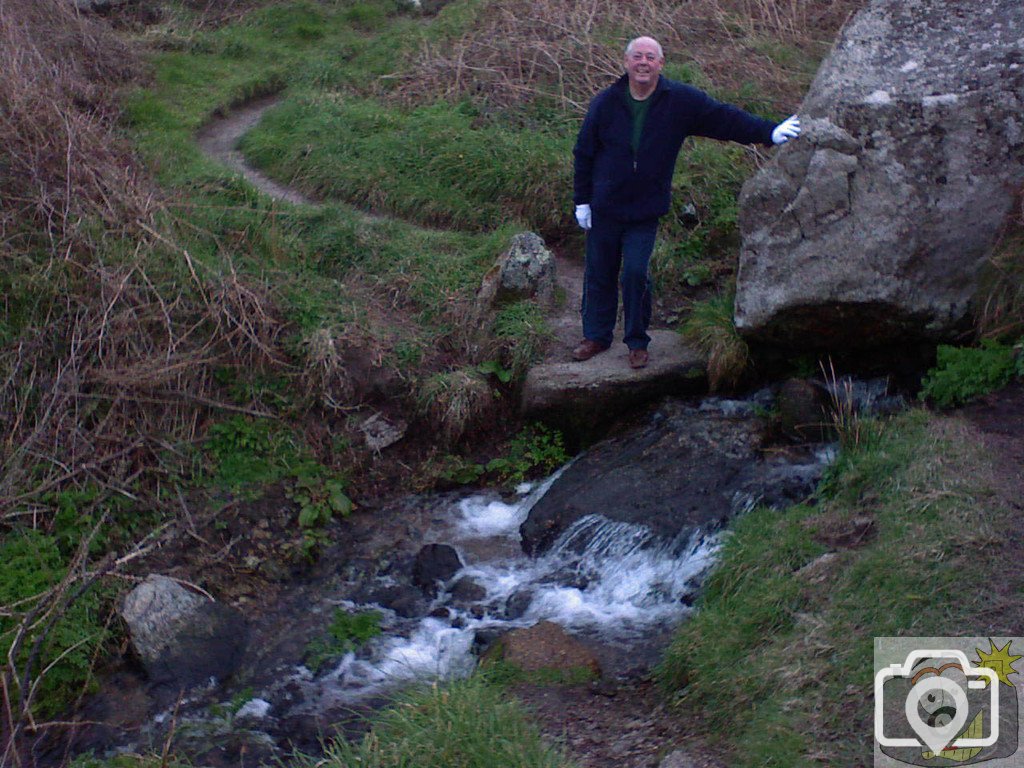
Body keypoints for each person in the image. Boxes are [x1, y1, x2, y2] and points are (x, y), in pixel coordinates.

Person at [572, 36, 801, 369]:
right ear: (626, 62)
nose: (643, 62)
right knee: (599, 273)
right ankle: (595, 336)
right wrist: (582, 202)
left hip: (644, 209)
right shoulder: (606, 103)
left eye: (651, 57)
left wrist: (769, 132)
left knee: (635, 273)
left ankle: (637, 340)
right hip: (604, 207)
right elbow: (584, 153)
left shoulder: (678, 101)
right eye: (637, 56)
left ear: (661, 64)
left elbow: (724, 118)